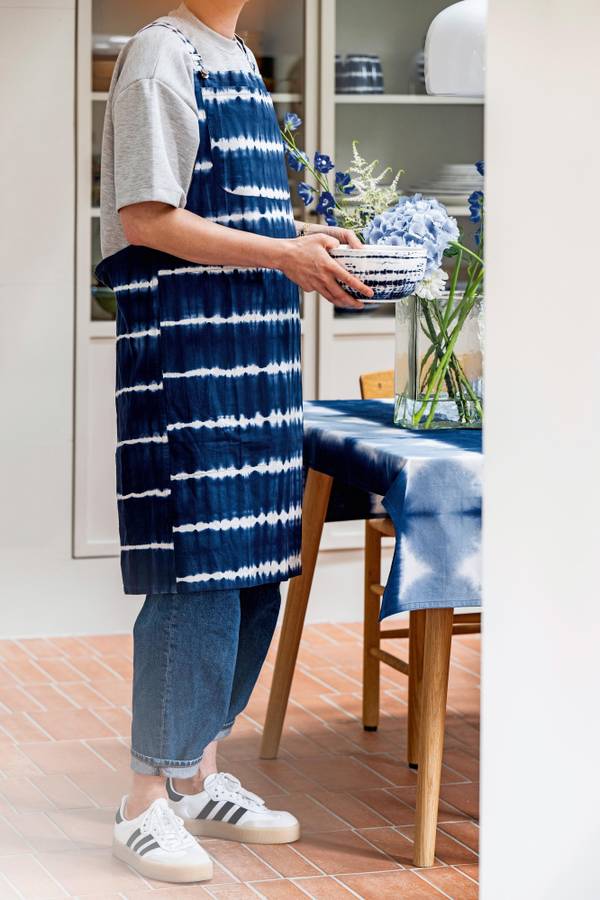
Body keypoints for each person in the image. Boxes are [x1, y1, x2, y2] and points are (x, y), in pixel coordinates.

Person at [96, 0, 372, 884]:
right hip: (189, 358)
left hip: (254, 356)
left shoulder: (239, 57)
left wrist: (301, 240)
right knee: (198, 578)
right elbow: (148, 220)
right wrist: (285, 256)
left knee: (254, 572)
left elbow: (233, 217)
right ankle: (143, 802)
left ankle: (196, 777)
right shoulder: (162, 54)